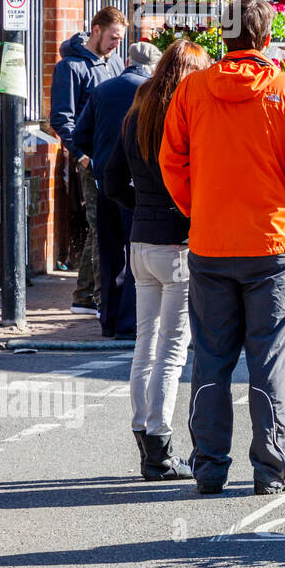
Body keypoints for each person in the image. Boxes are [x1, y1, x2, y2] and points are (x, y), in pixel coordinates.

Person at [160, 0, 285, 496]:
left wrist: (201, 211)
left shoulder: (192, 90)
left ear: (223, 36)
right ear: (267, 37)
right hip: (272, 245)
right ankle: (271, 470)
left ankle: (209, 468)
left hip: (211, 244)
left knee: (210, 357)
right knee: (271, 358)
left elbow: (173, 162)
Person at [101, 40, 211, 481]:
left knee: (144, 343)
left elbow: (110, 181)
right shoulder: (186, 118)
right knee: (171, 350)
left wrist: (143, 206)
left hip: (141, 241)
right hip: (178, 245)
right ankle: (161, 448)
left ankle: (145, 435)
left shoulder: (138, 112)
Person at [73, 41, 162, 339]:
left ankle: (108, 320)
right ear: (153, 66)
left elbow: (80, 137)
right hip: (139, 187)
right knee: (136, 253)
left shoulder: (102, 89)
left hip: (104, 185)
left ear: (127, 60)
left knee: (110, 254)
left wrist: (99, 159)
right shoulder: (153, 93)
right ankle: (128, 323)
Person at [52, 7, 125, 315]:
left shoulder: (116, 62)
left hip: (116, 158)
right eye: (112, 38)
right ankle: (99, 297)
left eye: (120, 40)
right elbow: (61, 117)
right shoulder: (71, 67)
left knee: (103, 226)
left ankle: (83, 295)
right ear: (96, 30)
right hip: (92, 159)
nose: (115, 45)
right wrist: (81, 156)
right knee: (101, 226)